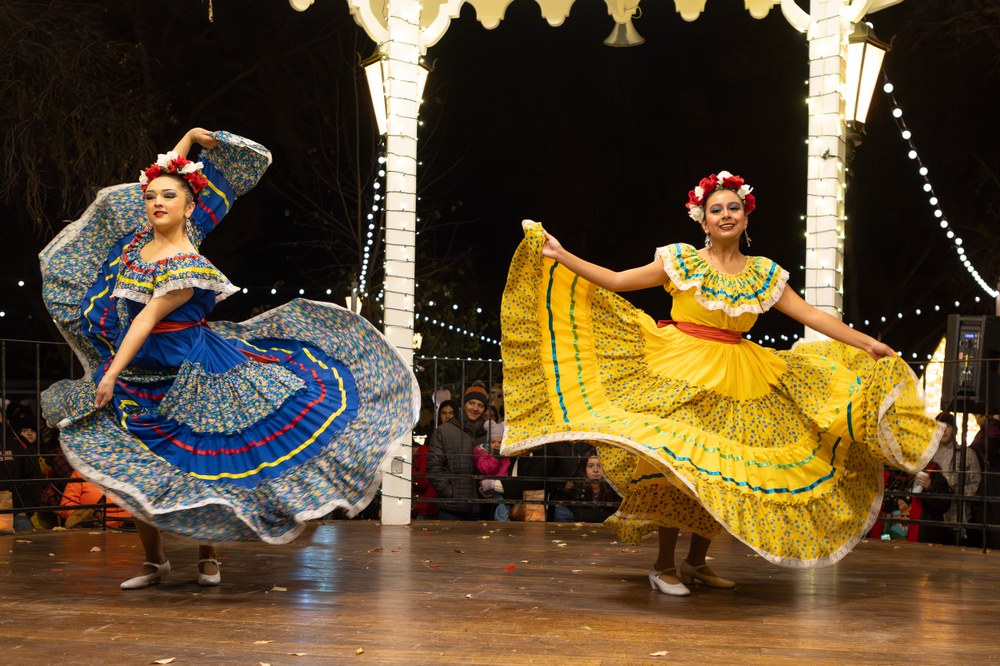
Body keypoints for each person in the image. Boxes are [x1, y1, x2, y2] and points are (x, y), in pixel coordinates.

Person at [500, 170, 939, 596]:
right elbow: (617, 281)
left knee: (724, 474)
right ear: (703, 219)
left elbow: (812, 316)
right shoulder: (682, 262)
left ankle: (697, 561)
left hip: (742, 376)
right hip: (681, 366)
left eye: (733, 207)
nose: (725, 214)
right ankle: (663, 565)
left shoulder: (764, 273)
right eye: (716, 209)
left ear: (746, 217)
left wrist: (868, 344)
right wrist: (561, 255)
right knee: (679, 467)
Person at [39, 129, 417, 589]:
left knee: (205, 469)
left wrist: (109, 374)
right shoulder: (141, 239)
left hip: (190, 371)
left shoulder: (184, 260)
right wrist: (188, 140)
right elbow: (167, 176)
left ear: (188, 207)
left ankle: (208, 557)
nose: (157, 202)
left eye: (167, 198)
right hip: (142, 371)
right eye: (152, 196)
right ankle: (155, 562)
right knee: (136, 472)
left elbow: (144, 322)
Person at [915, 412, 981, 545]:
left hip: (958, 514)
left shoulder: (967, 454)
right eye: (939, 426)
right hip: (932, 516)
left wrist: (956, 494)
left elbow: (976, 483)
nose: (943, 430)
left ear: (954, 430)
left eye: (948, 426)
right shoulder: (927, 454)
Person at [427, 382, 488, 520]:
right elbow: (434, 468)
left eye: (480, 405)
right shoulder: (444, 431)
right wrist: (451, 493)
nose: (475, 408)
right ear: (464, 404)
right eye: (471, 403)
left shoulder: (488, 434)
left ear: (484, 409)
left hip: (481, 508)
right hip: (451, 509)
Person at [564, 448, 621, 524]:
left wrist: (585, 515)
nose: (595, 470)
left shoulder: (615, 489)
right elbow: (575, 514)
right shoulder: (575, 487)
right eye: (590, 466)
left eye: (600, 466)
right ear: (584, 468)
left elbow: (616, 516)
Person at [474, 420, 512, 520]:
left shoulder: (505, 454)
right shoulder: (483, 452)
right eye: (493, 442)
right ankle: (501, 522)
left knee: (503, 505)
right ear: (488, 442)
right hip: (489, 486)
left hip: (501, 486)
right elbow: (485, 468)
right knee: (502, 505)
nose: (496, 444)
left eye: (499, 442)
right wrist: (495, 458)